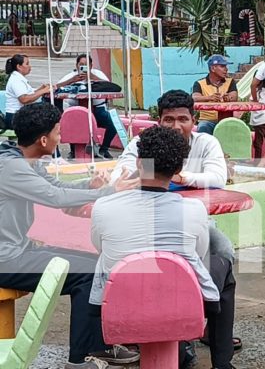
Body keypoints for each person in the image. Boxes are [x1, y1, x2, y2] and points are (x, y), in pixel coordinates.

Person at [0, 102, 139, 369]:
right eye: (58, 133)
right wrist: (110, 192)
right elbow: (54, 197)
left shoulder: (25, 159)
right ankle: (82, 359)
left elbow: (55, 186)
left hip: (19, 249)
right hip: (6, 259)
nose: (60, 138)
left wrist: (90, 185)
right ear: (43, 139)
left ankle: (99, 345)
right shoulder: (11, 168)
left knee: (96, 264)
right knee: (87, 275)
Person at [92, 126, 237, 369]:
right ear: (179, 169)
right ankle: (221, 363)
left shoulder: (103, 206)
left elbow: (100, 247)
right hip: (182, 301)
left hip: (116, 303)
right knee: (220, 263)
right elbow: (199, 255)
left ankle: (182, 354)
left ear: (139, 163)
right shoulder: (193, 210)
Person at [57, 54, 118, 159]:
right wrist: (72, 80)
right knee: (72, 124)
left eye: (86, 64)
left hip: (97, 108)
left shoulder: (98, 74)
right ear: (76, 65)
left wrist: (92, 77)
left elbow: (112, 86)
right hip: (75, 109)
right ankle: (73, 150)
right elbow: (56, 87)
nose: (84, 67)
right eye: (81, 64)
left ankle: (104, 149)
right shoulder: (71, 75)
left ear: (91, 66)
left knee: (113, 125)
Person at [192, 54, 238, 135]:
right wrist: (209, 98)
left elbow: (234, 96)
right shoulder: (199, 83)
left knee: (238, 127)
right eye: (222, 66)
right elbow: (194, 97)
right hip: (207, 120)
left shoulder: (230, 81)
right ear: (213, 68)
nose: (226, 69)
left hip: (226, 120)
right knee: (203, 126)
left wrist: (229, 98)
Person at [4, 54, 51, 129]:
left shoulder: (19, 79)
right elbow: (24, 99)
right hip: (15, 117)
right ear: (19, 66)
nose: (30, 66)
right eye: (27, 64)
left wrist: (41, 89)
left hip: (20, 115)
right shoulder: (16, 80)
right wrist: (42, 91)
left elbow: (30, 94)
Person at [249, 80, 265, 160]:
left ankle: (257, 161)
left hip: (259, 121)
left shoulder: (256, 92)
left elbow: (251, 102)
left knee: (258, 143)